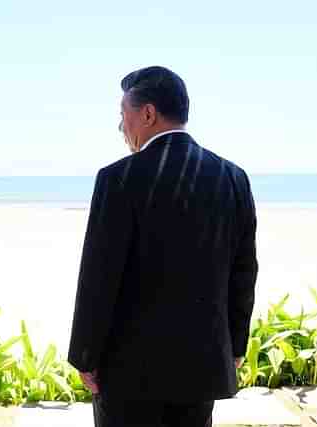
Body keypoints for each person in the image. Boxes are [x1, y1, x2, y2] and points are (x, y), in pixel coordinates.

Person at [68, 66, 258, 427]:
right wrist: (234, 347)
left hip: (128, 370)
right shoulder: (232, 177)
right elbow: (243, 270)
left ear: (148, 113)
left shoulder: (118, 178)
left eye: (123, 115)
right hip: (201, 365)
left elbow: (99, 276)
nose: (121, 127)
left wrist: (84, 356)